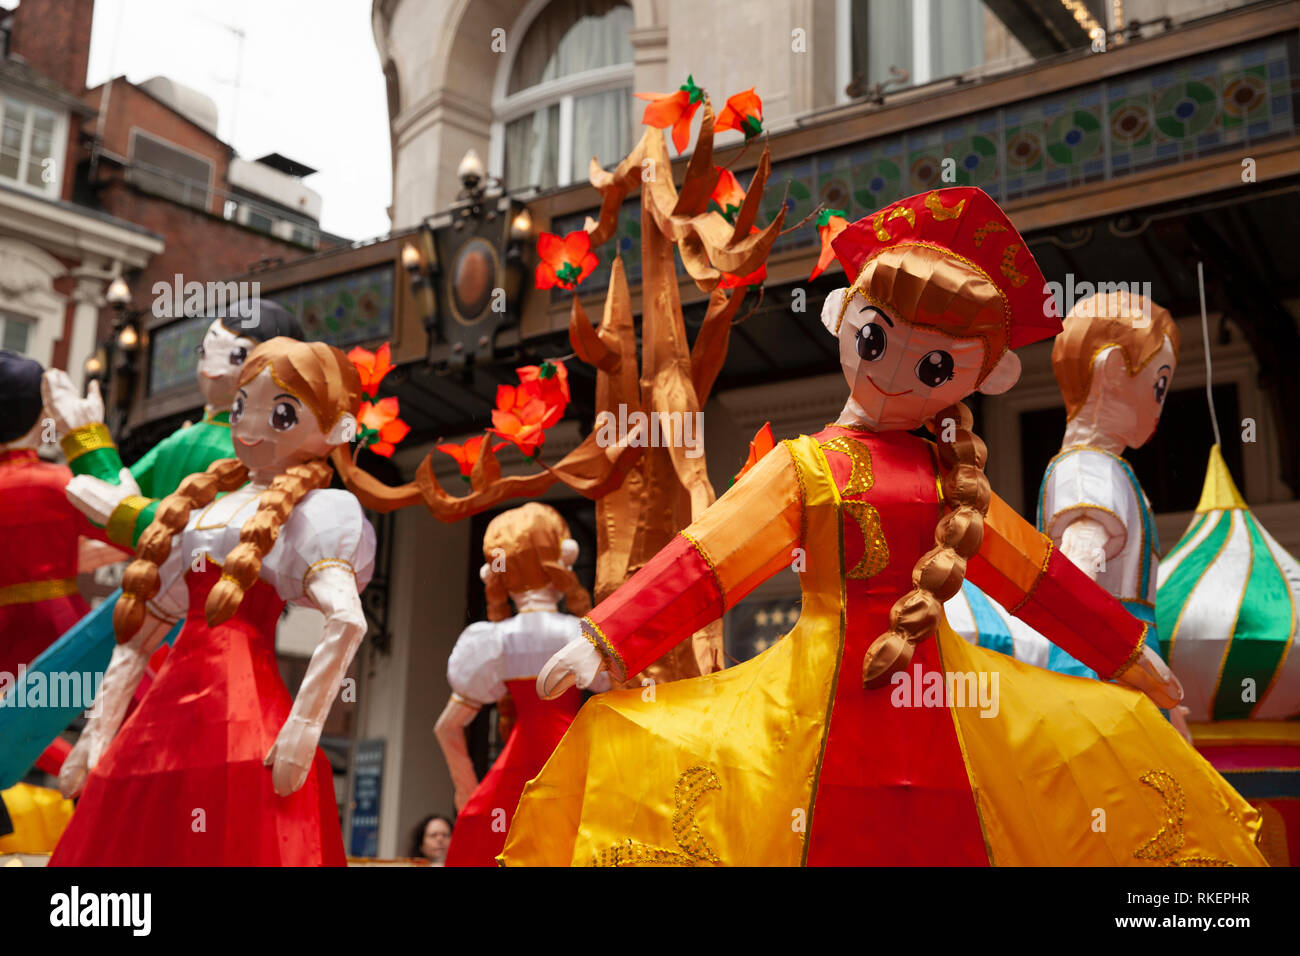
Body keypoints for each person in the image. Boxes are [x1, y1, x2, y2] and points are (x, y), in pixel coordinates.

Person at [499, 187, 1266, 866]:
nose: (898, 370)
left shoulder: (951, 482)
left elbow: (1042, 581)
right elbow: (710, 561)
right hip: (817, 705)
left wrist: (1129, 654)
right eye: (878, 340)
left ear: (977, 378)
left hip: (945, 713)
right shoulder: (805, 467)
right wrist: (606, 635)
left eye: (936, 366)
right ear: (844, 323)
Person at [50, 338, 375, 866]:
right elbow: (140, 635)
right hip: (167, 723)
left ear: (336, 431)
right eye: (244, 405)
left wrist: (303, 727)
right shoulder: (203, 512)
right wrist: (98, 730)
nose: (248, 427)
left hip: (245, 724)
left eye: (282, 413)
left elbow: (347, 619)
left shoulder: (319, 512)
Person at [0, 301, 303, 790]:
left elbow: (150, 525)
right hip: (179, 619)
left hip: (193, 623)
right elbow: (129, 517)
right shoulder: (208, 445)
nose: (211, 359)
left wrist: (89, 445)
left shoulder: (241, 456)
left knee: (147, 731)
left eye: (230, 349)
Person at [434, 503, 598, 867]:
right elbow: (618, 690)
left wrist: (467, 792)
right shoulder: (580, 633)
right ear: (563, 558)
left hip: (516, 766)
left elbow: (446, 727)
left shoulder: (495, 640)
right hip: (577, 761)